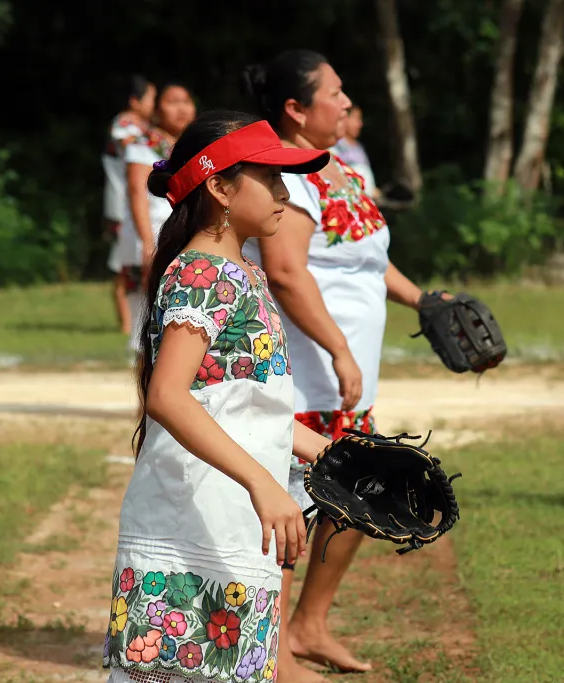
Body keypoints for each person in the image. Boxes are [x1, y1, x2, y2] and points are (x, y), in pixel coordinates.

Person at [102, 110, 334, 683]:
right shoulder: (201, 273)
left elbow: (244, 401)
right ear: (219, 186)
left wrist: (333, 454)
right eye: (272, 179)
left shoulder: (241, 271)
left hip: (233, 518)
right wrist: (262, 482)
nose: (285, 193)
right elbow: (169, 396)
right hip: (197, 518)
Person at [240, 50, 447, 681]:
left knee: (355, 494)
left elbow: (365, 256)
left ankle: (309, 628)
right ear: (295, 109)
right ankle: (270, 654)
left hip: (347, 381)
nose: (347, 102)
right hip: (305, 376)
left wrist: (427, 301)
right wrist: (336, 347)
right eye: (335, 92)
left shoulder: (339, 170)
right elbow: (285, 270)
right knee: (291, 509)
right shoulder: (288, 177)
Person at [111, 82, 196, 359]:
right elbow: (137, 191)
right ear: (158, 110)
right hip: (153, 234)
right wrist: (147, 243)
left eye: (186, 100)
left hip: (184, 237)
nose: (181, 107)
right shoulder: (144, 144)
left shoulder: (193, 147)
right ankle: (147, 397)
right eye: (172, 101)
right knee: (148, 319)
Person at [102, 75, 156, 334]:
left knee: (133, 267)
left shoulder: (139, 128)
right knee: (126, 267)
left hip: (133, 206)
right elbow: (130, 147)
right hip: (123, 207)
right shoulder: (125, 126)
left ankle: (134, 322)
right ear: (135, 101)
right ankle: (127, 324)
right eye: (150, 99)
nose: (152, 105)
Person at [330, 104, 380, 200]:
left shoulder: (358, 147)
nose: (360, 124)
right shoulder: (335, 147)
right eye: (357, 119)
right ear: (345, 119)